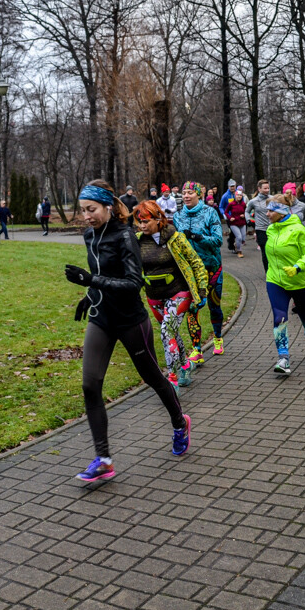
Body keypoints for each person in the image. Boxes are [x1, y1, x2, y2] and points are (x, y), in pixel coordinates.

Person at [66, 180, 191, 482]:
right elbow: (103, 275)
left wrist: (91, 282)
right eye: (83, 210)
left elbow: (134, 283)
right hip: (101, 318)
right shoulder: (88, 236)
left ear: (108, 207)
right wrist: (89, 296)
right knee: (90, 385)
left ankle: (179, 421)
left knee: (152, 377)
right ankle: (104, 458)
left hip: (131, 319)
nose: (87, 216)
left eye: (92, 209)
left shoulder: (125, 236)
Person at [134, 200, 208, 392]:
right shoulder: (137, 240)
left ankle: (172, 379)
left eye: (146, 221)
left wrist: (201, 290)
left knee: (166, 332)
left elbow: (196, 263)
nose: (142, 225)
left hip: (179, 292)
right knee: (172, 332)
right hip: (154, 296)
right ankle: (184, 367)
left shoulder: (175, 238)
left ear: (158, 218)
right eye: (139, 221)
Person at [264, 193, 305, 375]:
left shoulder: (298, 229)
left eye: (271, 210)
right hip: (275, 280)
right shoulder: (271, 229)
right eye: (267, 210)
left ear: (281, 211)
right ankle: (283, 358)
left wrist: (297, 267)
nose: (267, 214)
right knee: (279, 317)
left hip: (300, 281)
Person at [173, 181, 226, 363]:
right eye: (184, 193)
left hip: (211, 267)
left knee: (214, 305)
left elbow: (218, 241)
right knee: (192, 308)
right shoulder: (178, 217)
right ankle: (197, 350)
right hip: (190, 271)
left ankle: (218, 337)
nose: (186, 196)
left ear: (198, 195)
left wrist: (197, 237)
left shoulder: (210, 213)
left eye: (190, 193)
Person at [246, 180, 272, 272]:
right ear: (259, 189)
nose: (267, 190)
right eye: (265, 188)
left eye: (268, 188)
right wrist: (248, 220)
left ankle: (274, 270)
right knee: (265, 252)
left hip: (273, 228)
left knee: (273, 251)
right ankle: (267, 272)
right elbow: (247, 211)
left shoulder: (272, 199)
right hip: (261, 229)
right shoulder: (254, 201)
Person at [224, 186, 248, 258]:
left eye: (240, 195)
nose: (239, 197)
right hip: (234, 223)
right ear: (235, 196)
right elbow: (226, 212)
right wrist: (230, 218)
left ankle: (236, 245)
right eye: (238, 195)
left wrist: (244, 215)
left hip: (242, 222)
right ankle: (239, 251)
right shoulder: (231, 204)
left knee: (243, 239)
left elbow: (247, 212)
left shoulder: (243, 204)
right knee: (239, 237)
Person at [219, 179, 238, 252]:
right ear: (228, 187)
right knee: (233, 231)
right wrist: (224, 214)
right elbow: (221, 206)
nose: (232, 188)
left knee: (236, 232)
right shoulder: (225, 196)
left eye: (233, 186)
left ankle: (231, 241)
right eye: (231, 186)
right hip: (229, 217)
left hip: (237, 216)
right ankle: (232, 246)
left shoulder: (238, 194)